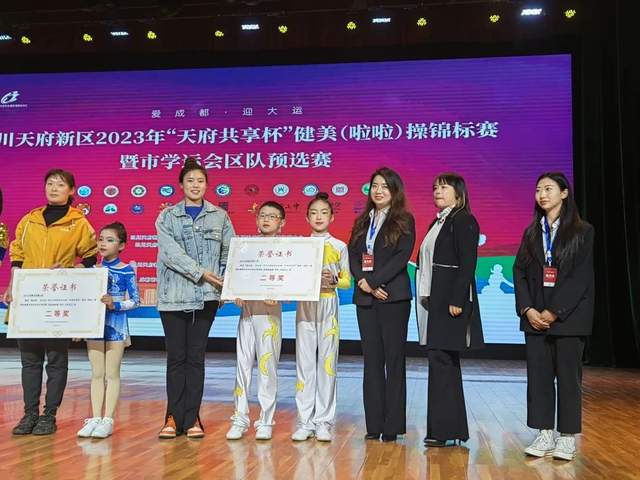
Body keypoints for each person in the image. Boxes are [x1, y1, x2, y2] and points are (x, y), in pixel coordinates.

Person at [6, 169, 98, 435]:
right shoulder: (29, 219)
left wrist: (72, 269)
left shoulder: (78, 222)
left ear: (71, 190)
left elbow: (91, 256)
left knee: (56, 360)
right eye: (50, 184)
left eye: (60, 184)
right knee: (29, 361)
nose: (54, 188)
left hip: (59, 298)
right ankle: (29, 414)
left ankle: (49, 415)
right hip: (29, 298)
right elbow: (17, 255)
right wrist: (12, 285)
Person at [514, 172, 594, 461]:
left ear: (564, 193)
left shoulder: (582, 231)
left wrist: (554, 312)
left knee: (569, 379)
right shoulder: (531, 232)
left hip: (568, 319)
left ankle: (567, 437)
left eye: (548, 189)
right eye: (538, 190)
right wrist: (528, 309)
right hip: (535, 317)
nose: (542, 195)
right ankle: (544, 433)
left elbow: (580, 278)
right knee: (538, 378)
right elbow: (519, 271)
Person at [155, 158, 235, 439]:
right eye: (190, 180)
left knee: (196, 358)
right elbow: (170, 254)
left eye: (200, 181)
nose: (195, 185)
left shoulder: (219, 216)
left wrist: (223, 284)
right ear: (181, 185)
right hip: (173, 297)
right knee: (176, 358)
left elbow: (229, 253)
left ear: (207, 185)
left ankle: (193, 418)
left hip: (206, 298)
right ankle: (172, 417)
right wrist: (202, 273)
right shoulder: (167, 217)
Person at [415, 173, 484, 447]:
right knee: (443, 361)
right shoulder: (439, 221)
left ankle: (442, 431)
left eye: (444, 187)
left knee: (442, 359)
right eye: (435, 187)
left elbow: (468, 263)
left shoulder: (464, 219)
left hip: (450, 302)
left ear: (459, 193)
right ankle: (448, 429)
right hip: (436, 301)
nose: (437, 191)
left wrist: (457, 299)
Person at [348, 167, 415, 443]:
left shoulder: (404, 220)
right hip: (365, 298)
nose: (378, 191)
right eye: (374, 185)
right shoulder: (362, 220)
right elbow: (353, 254)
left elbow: (401, 257)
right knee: (372, 361)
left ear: (394, 191)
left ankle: (392, 425)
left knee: (394, 360)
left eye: (385, 186)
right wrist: (364, 282)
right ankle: (373, 424)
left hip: (393, 297)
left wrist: (375, 281)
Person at [292, 192, 351, 442]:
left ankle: (324, 421)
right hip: (306, 305)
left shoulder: (339, 246)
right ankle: (304, 422)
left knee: (327, 363)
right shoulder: (300, 247)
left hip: (328, 304)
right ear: (307, 218)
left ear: (332, 217)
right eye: (314, 213)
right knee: (305, 364)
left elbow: (347, 281)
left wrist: (334, 279)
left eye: (324, 213)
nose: (319, 217)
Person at [226, 201, 286, 441]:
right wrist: (236, 292)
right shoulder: (245, 248)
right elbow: (237, 276)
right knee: (242, 365)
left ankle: (266, 421)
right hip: (247, 312)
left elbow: (292, 281)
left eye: (272, 216)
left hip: (270, 314)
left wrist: (280, 294)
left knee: (267, 367)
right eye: (262, 215)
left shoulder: (288, 250)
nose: (266, 219)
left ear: (281, 223)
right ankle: (239, 419)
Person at [76, 222, 140, 439]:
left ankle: (108, 419)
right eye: (101, 239)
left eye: (110, 240)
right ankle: (95, 417)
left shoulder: (126, 270)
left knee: (112, 374)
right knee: (96, 373)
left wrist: (116, 304)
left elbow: (136, 301)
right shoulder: (92, 271)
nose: (103, 243)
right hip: (95, 324)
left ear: (121, 245)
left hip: (116, 325)